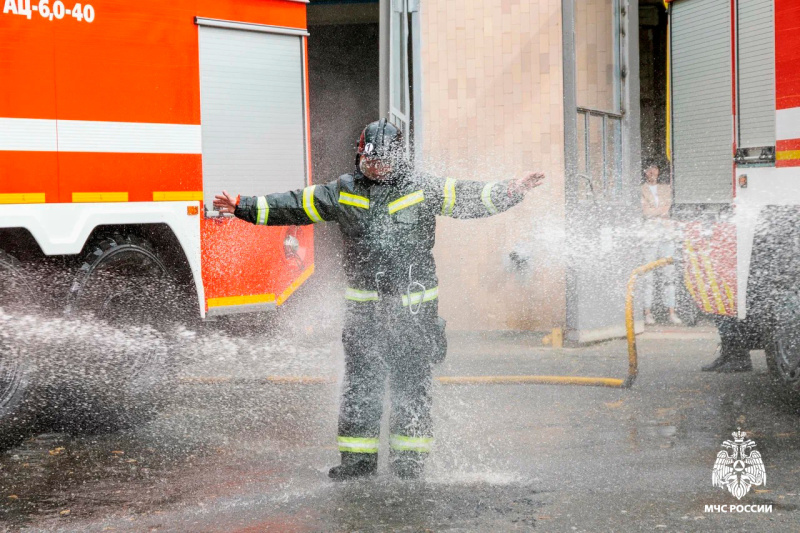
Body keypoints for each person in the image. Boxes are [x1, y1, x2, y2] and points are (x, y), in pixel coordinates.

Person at [214, 119, 545, 480]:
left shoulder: (423, 188)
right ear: (359, 156)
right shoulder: (342, 191)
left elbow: (469, 196)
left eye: (382, 161)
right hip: (365, 317)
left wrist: (511, 190)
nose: (374, 167)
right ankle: (357, 467)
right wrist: (243, 206)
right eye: (368, 160)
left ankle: (409, 468)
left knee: (411, 391)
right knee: (361, 391)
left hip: (415, 315)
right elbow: (295, 204)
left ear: (398, 159)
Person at [640, 162, 682, 326]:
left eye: (655, 168)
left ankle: (671, 312)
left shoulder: (665, 188)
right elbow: (646, 212)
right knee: (648, 274)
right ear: (645, 172)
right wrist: (659, 212)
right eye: (649, 169)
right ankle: (647, 313)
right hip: (650, 234)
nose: (652, 172)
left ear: (658, 171)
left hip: (666, 232)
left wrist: (654, 211)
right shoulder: (640, 189)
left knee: (669, 274)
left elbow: (666, 208)